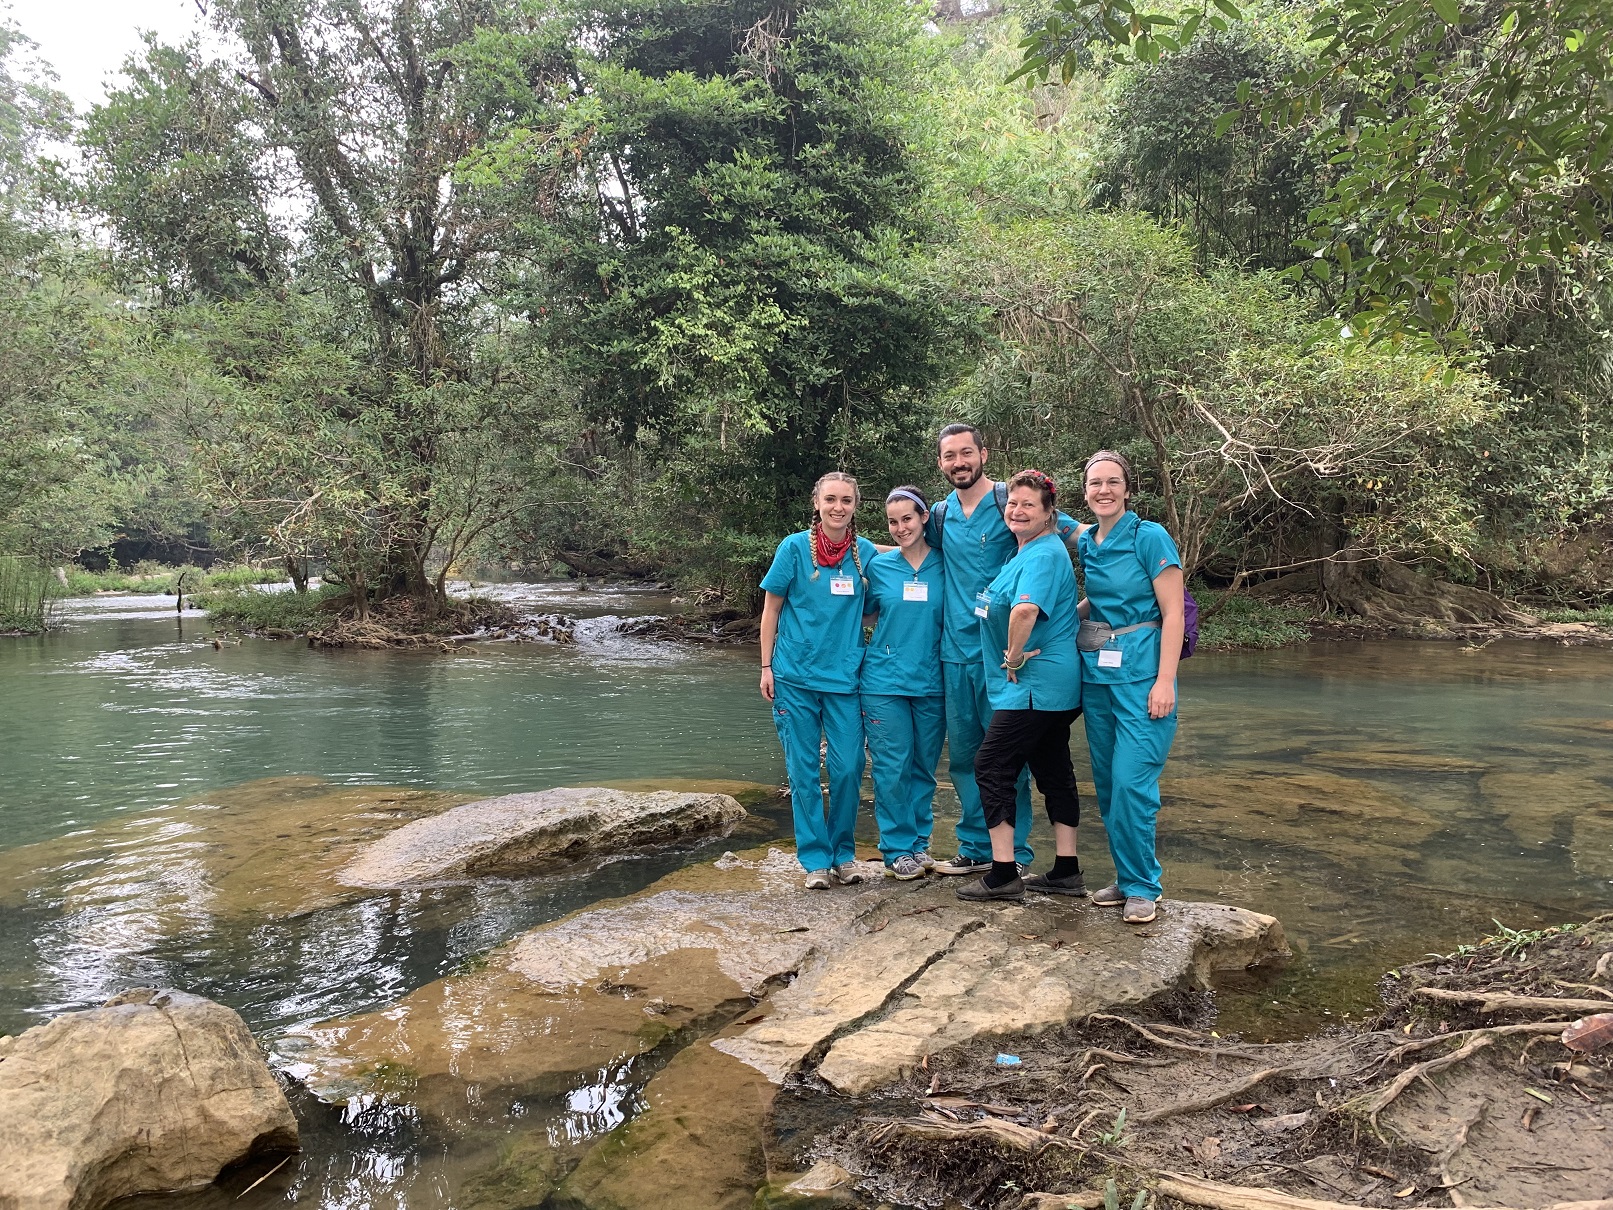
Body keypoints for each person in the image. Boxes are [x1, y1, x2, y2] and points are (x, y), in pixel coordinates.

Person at [927, 424, 1081, 878]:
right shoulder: (939, 515)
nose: (959, 462)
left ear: (983, 454)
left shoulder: (1011, 503)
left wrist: (1133, 554)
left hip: (1013, 663)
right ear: (941, 462)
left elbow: (1086, 536)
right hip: (959, 650)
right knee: (966, 756)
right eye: (950, 455)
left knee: (1004, 761)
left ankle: (1013, 857)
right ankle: (977, 847)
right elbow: (910, 546)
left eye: (967, 453)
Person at [955, 470, 1084, 902]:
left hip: (1034, 685)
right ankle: (1067, 870)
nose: (1017, 510)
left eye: (1029, 504)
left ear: (1050, 514)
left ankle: (1004, 874)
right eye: (1013, 503)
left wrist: (1011, 656)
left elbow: (1025, 611)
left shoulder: (1044, 554)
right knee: (1052, 768)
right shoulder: (1023, 551)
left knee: (990, 766)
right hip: (1048, 686)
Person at [1076, 450, 1185, 924]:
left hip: (1144, 677)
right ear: (1086, 492)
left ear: (1127, 488)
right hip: (1098, 675)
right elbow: (1094, 603)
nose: (1104, 490)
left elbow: (1174, 613)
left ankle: (1144, 887)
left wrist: (1166, 681)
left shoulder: (1150, 537)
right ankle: (1125, 877)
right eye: (1095, 483)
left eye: (1112, 482)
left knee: (1132, 782)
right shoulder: (1089, 543)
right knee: (1106, 785)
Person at [759, 471, 881, 890]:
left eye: (846, 500)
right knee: (803, 770)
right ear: (816, 502)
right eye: (830, 499)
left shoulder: (864, 554)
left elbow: (872, 609)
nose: (838, 507)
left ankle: (843, 854)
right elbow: (771, 610)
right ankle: (815, 860)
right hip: (793, 676)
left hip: (845, 678)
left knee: (848, 766)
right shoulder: (793, 549)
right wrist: (765, 667)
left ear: (855, 506)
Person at [861, 486, 946, 880]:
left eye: (907, 519)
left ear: (924, 517)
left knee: (924, 767)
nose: (900, 528)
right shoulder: (880, 567)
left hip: (932, 680)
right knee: (891, 768)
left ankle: (919, 843)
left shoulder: (947, 564)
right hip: (883, 682)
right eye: (892, 522)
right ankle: (896, 848)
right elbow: (862, 616)